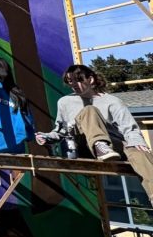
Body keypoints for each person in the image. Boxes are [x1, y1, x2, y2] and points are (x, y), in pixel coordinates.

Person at [36, 63, 153, 200]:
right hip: (83, 144)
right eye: (70, 81)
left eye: (78, 80)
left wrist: (137, 143)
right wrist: (47, 137)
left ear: (90, 79)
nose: (74, 84)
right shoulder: (65, 102)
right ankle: (99, 145)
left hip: (112, 146)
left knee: (140, 153)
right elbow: (61, 130)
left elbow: (128, 127)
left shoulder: (112, 101)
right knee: (89, 110)